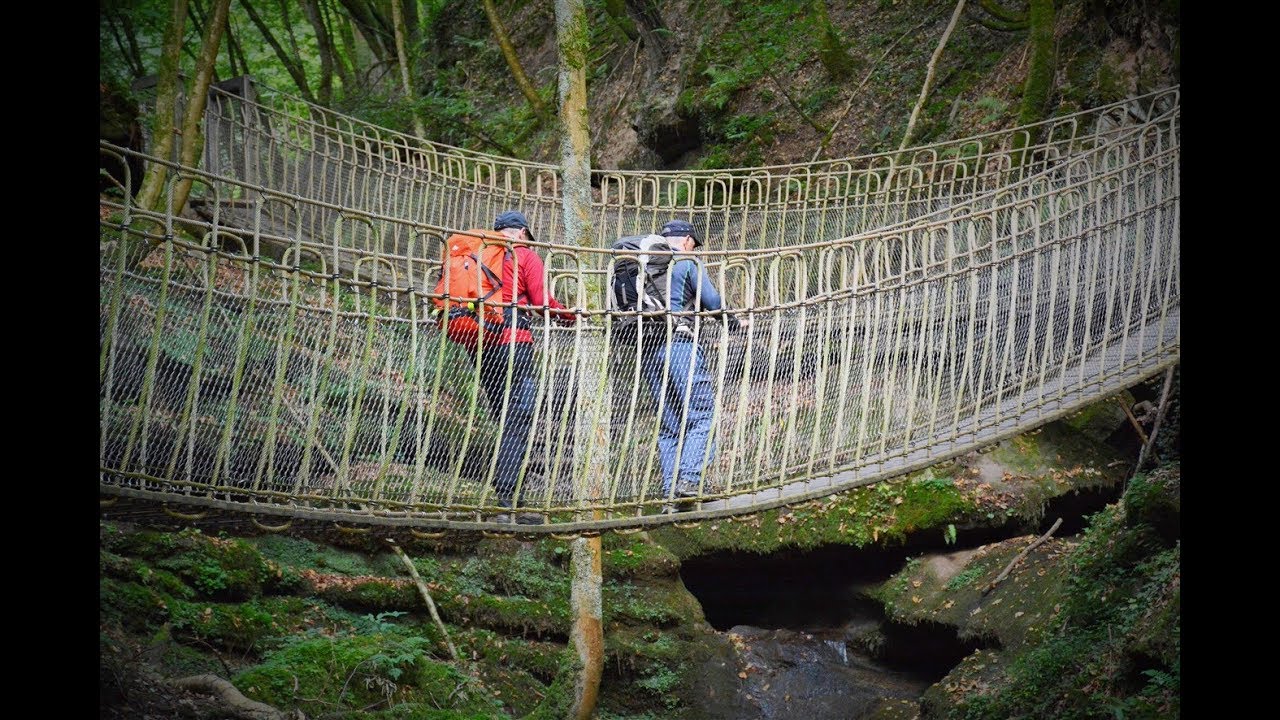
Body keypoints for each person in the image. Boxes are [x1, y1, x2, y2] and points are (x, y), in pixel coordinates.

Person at [476, 210, 576, 524]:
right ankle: (508, 500)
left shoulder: (479, 254)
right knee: (519, 416)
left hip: (479, 342)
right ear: (521, 233)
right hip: (513, 341)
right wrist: (570, 316)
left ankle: (512, 499)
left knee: (504, 415)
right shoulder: (525, 256)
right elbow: (540, 300)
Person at [640, 219, 740, 511]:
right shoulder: (685, 262)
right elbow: (711, 300)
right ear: (686, 240)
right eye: (694, 244)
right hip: (680, 345)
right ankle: (690, 480)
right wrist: (732, 322)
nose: (695, 248)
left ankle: (671, 494)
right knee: (702, 414)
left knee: (671, 424)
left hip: (648, 349)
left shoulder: (641, 265)